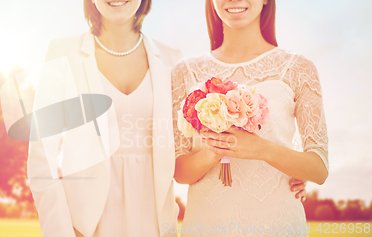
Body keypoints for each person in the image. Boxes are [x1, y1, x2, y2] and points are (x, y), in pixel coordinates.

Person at [27, 1, 308, 237]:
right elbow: (42, 158)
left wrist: (285, 168)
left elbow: (200, 138)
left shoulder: (173, 60)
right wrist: (61, 230)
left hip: (156, 217)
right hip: (85, 222)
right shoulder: (62, 53)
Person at [172, 0, 328, 236]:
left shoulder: (299, 68)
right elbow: (178, 171)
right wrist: (214, 151)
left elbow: (319, 168)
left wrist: (261, 149)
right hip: (207, 224)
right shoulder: (185, 72)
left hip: (277, 222)